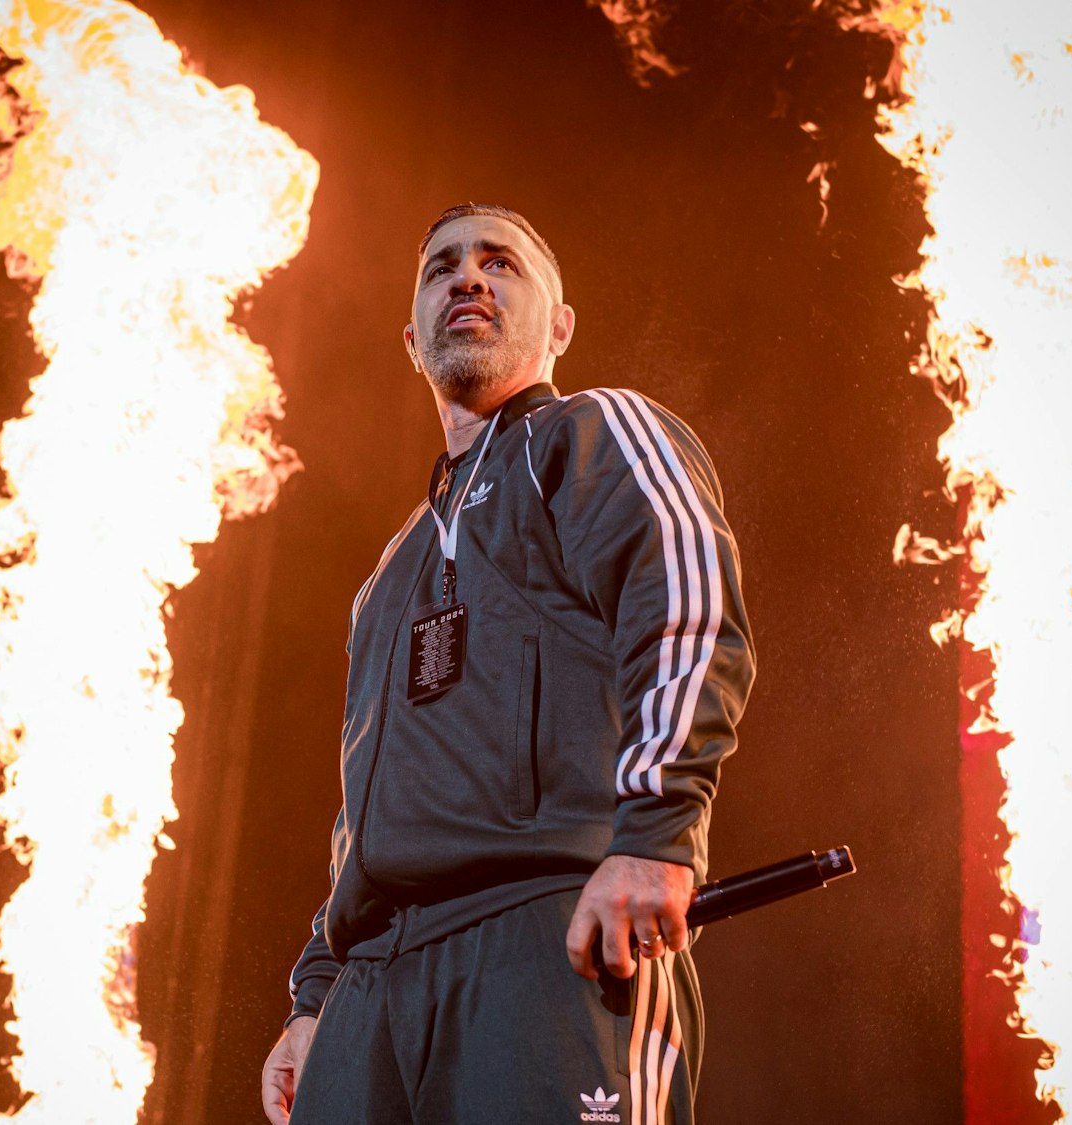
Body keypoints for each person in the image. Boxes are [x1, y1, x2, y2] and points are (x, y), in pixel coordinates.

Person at [259, 203, 755, 1125]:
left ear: (559, 326)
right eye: (444, 266)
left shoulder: (589, 433)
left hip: (542, 936)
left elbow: (687, 604)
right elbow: (363, 799)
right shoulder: (387, 575)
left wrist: (655, 833)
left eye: (501, 264)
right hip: (372, 992)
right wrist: (316, 993)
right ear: (412, 337)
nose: (470, 278)